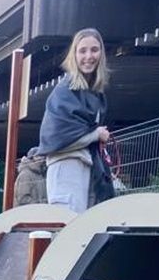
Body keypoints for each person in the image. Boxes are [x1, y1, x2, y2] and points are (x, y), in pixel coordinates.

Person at [38, 28, 115, 213]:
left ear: (101, 54)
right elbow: (56, 141)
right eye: (82, 50)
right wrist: (96, 134)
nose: (89, 56)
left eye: (94, 50)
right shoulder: (64, 91)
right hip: (65, 168)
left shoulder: (96, 94)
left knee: (83, 232)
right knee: (66, 229)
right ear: (74, 55)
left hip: (86, 167)